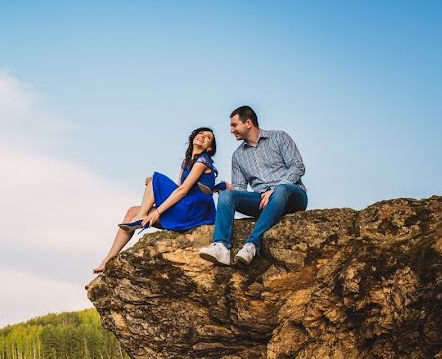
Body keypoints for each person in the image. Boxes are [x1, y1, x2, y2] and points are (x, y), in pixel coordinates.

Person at [93, 127, 220, 274]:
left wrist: (158, 210)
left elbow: (183, 190)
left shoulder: (202, 161)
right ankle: (107, 260)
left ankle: (141, 217)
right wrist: (155, 190)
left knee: (156, 178)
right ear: (193, 138)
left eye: (208, 137)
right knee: (131, 211)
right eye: (201, 134)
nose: (203, 137)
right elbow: (177, 188)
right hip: (184, 206)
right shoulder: (187, 162)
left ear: (209, 148)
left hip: (194, 211)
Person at [198, 106, 307, 266]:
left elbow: (297, 166)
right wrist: (228, 189)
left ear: (248, 123)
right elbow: (241, 190)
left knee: (281, 190)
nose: (231, 130)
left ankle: (252, 244)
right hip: (263, 200)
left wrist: (275, 190)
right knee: (227, 196)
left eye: (234, 125)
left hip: (291, 195)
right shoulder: (238, 156)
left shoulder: (279, 137)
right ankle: (221, 247)